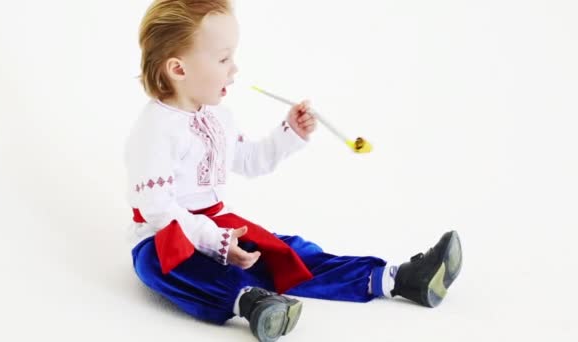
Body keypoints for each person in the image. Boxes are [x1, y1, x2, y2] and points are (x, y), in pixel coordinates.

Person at [125, 1, 463, 341]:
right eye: (223, 59)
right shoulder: (154, 130)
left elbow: (250, 160)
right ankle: (251, 303)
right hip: (166, 235)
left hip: (220, 228)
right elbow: (157, 210)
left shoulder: (219, 118)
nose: (234, 69)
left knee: (288, 254)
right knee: (157, 263)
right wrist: (214, 240)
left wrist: (289, 133)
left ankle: (398, 278)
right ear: (178, 69)